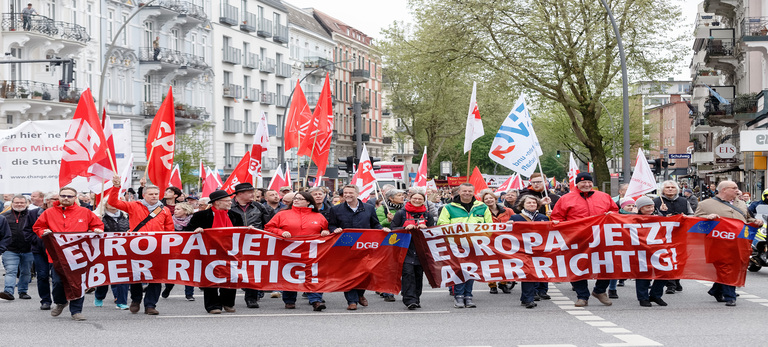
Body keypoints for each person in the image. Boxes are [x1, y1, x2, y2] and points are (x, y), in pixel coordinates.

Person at [33, 187, 104, 321]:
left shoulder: (85, 212)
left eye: (69, 196)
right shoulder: (49, 213)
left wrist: (96, 230)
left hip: (79, 256)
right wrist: (44, 232)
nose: (66, 198)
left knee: (78, 283)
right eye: (63, 195)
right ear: (59, 196)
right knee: (57, 282)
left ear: (75, 198)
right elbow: (38, 227)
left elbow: (98, 225)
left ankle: (76, 311)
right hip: (57, 256)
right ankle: (61, 302)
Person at [550, 172, 618, 307]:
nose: (587, 185)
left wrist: (612, 214)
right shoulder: (565, 199)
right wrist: (559, 224)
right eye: (583, 182)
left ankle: (600, 290)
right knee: (577, 266)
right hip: (576, 238)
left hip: (601, 238)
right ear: (577, 183)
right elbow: (557, 217)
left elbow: (615, 211)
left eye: (589, 182)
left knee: (608, 264)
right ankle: (582, 296)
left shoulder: (604, 197)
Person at [108, 175, 174, 315]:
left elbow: (169, 230)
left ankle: (150, 305)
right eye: (151, 194)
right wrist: (116, 187)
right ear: (144, 195)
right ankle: (136, 300)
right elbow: (113, 202)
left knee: (156, 278)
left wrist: (169, 247)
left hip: (157, 248)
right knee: (136, 276)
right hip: (136, 247)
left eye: (156, 194)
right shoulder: (133, 206)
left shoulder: (165, 210)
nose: (154, 196)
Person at [695, 181, 762, 306]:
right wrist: (707, 217)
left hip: (739, 242)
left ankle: (716, 290)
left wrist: (756, 221)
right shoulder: (705, 204)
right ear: (724, 190)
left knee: (734, 268)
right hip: (718, 243)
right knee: (725, 267)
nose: (737, 190)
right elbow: (695, 222)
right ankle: (730, 296)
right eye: (734, 188)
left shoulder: (741, 203)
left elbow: (748, 219)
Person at [264, 191, 329, 311]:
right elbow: (269, 227)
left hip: (311, 252)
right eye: (295, 198)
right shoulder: (282, 214)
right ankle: (289, 300)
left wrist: (325, 232)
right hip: (289, 251)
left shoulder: (318, 216)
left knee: (312, 275)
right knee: (289, 274)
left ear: (308, 202)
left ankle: (316, 300)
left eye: (300, 198)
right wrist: (281, 232)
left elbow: (325, 230)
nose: (296, 200)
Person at [328, 184, 389, 310]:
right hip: (345, 247)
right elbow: (331, 225)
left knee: (365, 272)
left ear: (357, 194)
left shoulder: (369, 208)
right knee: (348, 273)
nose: (347, 195)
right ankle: (352, 300)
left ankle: (360, 294)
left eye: (350, 192)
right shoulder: (336, 209)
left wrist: (382, 229)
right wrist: (335, 229)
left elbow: (375, 224)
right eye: (345, 193)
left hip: (364, 246)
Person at [184, 190, 244, 314]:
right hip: (208, 253)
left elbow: (241, 232)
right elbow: (188, 230)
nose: (230, 203)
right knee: (209, 277)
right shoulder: (201, 216)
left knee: (230, 276)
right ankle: (212, 305)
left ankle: (227, 303)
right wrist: (196, 229)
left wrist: (249, 230)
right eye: (227, 201)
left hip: (229, 252)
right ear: (217, 202)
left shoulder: (235, 215)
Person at [437, 183, 493, 309]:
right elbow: (442, 224)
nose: (467, 193)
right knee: (459, 270)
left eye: (469, 191)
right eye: (464, 191)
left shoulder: (482, 207)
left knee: (471, 270)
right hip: (456, 245)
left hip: (475, 245)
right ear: (459, 192)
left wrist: (481, 240)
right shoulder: (449, 207)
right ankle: (459, 296)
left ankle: (468, 296)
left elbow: (489, 226)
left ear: (473, 192)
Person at [228, 182, 269, 308]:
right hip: (233, 243)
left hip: (254, 243)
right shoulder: (229, 206)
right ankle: (227, 299)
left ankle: (252, 298)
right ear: (240, 194)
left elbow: (268, 224)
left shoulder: (259, 206)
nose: (253, 194)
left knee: (253, 270)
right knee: (231, 270)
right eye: (250, 192)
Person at [390, 192, 433, 310]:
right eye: (415, 198)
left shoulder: (427, 215)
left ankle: (416, 298)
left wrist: (426, 229)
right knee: (408, 274)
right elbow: (393, 229)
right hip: (405, 249)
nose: (417, 200)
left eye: (420, 199)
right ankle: (409, 300)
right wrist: (404, 228)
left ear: (423, 200)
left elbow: (433, 232)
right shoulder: (401, 213)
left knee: (418, 275)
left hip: (420, 250)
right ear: (409, 199)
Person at [509, 195, 550, 308]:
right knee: (528, 274)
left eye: (534, 203)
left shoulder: (543, 217)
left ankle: (526, 297)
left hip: (539, 250)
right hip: (522, 250)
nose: (532, 204)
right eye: (529, 203)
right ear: (523, 205)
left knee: (536, 273)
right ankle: (528, 298)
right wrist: (508, 226)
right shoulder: (515, 218)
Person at [653, 180, 692, 294]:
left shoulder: (684, 201)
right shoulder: (656, 201)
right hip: (663, 236)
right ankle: (671, 284)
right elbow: (651, 217)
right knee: (667, 258)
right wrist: (662, 214)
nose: (670, 189)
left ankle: (676, 279)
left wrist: (685, 217)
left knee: (679, 258)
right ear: (663, 190)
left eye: (672, 187)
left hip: (680, 234)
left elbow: (691, 214)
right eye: (667, 187)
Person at [23, 192, 57, 309]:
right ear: (47, 200)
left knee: (57, 277)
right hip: (40, 250)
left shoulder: (61, 213)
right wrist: (36, 240)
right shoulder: (34, 213)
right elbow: (27, 230)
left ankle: (59, 299)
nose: (57, 201)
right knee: (42, 275)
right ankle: (45, 300)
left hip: (57, 250)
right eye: (54, 199)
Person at [633, 196, 669, 307]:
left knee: (665, 272)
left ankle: (655, 295)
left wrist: (666, 215)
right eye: (647, 207)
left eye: (652, 206)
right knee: (644, 274)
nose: (650, 209)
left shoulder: (658, 217)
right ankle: (643, 298)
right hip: (641, 250)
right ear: (640, 209)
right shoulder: (633, 219)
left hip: (658, 249)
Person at [95, 202, 131, 309]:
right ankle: (99, 296)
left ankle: (121, 301)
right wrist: (96, 226)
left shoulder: (126, 216)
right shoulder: (99, 216)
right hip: (105, 251)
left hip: (123, 250)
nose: (113, 205)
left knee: (122, 276)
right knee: (105, 276)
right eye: (110, 202)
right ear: (105, 204)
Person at [480, 189, 514, 294]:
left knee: (505, 262)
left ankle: (503, 283)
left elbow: (516, 220)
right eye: (486, 199)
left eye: (491, 198)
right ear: (483, 201)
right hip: (489, 241)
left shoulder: (508, 211)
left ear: (495, 199)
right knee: (491, 263)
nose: (489, 200)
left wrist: (512, 222)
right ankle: (492, 285)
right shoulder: (481, 212)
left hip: (506, 241)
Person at [161, 202, 196, 302]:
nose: (175, 211)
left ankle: (189, 294)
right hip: (173, 250)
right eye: (175, 209)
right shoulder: (170, 221)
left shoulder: (193, 221)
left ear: (185, 210)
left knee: (189, 271)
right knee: (172, 271)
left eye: (178, 209)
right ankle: (168, 288)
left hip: (189, 249)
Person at [0, 195, 33, 300]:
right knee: (11, 271)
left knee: (26, 272)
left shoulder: (32, 215)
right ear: (12, 203)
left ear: (26, 203)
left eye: (22, 202)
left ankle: (23, 291)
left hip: (28, 249)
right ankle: (8, 292)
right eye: (17, 202)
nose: (19, 204)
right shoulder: (4, 216)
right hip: (10, 249)